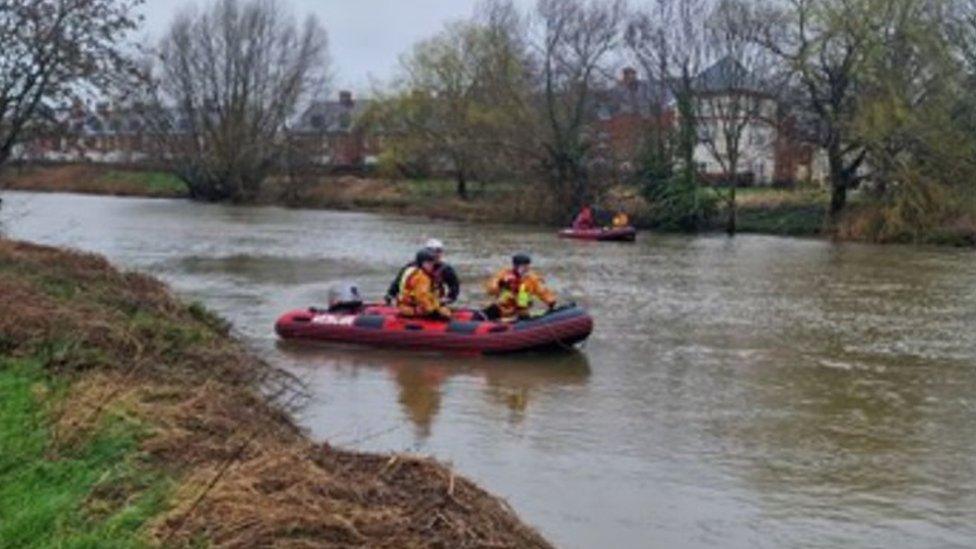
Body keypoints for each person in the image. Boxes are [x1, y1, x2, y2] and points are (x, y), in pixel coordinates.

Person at [385, 238, 460, 305]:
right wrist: (390, 295)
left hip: (434, 302)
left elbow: (454, 286)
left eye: (439, 251)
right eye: (434, 251)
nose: (437, 254)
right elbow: (398, 282)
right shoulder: (411, 268)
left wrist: (449, 299)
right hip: (413, 301)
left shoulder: (446, 269)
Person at [484, 253, 557, 321]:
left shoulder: (532, 278)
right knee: (491, 310)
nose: (526, 268)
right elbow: (491, 289)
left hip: (521, 311)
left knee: (524, 291)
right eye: (523, 266)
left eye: (527, 266)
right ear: (515, 266)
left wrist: (550, 301)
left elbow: (542, 291)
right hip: (502, 308)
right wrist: (500, 284)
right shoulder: (504, 274)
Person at [397, 249, 452, 319]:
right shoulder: (421, 278)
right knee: (444, 313)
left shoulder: (416, 272)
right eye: (428, 263)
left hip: (408, 306)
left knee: (444, 311)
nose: (431, 265)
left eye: (432, 263)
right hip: (412, 309)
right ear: (421, 263)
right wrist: (433, 311)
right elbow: (422, 297)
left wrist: (438, 304)